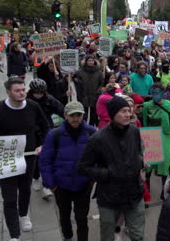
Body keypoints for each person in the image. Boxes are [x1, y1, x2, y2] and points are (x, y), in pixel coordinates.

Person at [77, 96, 145, 241]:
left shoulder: (134, 131)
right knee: (108, 237)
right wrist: (108, 173)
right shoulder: (98, 139)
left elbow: (139, 151)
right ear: (113, 114)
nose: (128, 114)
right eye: (123, 111)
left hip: (134, 194)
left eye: (129, 110)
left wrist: (139, 162)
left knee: (138, 236)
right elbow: (83, 168)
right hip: (109, 197)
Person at [0, 77, 50, 241]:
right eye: (17, 90)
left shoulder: (33, 107)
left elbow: (46, 126)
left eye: (23, 90)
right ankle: (14, 235)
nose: (22, 93)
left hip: (28, 157)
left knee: (25, 190)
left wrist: (42, 145)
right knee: (9, 197)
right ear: (8, 92)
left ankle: (23, 214)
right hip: (6, 157)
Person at [39, 101, 96, 241]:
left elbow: (98, 158)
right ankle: (68, 236)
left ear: (83, 115)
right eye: (72, 115)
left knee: (82, 218)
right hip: (61, 186)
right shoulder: (54, 134)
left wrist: (92, 178)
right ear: (65, 115)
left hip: (83, 185)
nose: (75, 118)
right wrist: (51, 185)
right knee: (64, 216)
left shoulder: (92, 133)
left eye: (79, 115)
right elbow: (45, 161)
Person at [142, 83, 170, 193]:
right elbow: (144, 123)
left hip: (165, 135)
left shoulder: (168, 104)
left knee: (165, 163)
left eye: (158, 93)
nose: (155, 95)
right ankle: (147, 189)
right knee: (149, 164)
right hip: (151, 135)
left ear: (163, 93)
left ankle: (164, 190)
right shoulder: (147, 105)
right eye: (153, 93)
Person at [75, 55, 104, 126]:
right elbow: (77, 83)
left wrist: (98, 91)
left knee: (94, 115)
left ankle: (92, 128)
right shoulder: (80, 72)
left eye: (92, 61)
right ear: (86, 62)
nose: (91, 62)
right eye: (89, 61)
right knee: (84, 114)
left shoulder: (98, 72)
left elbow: (101, 83)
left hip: (94, 96)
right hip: (84, 96)